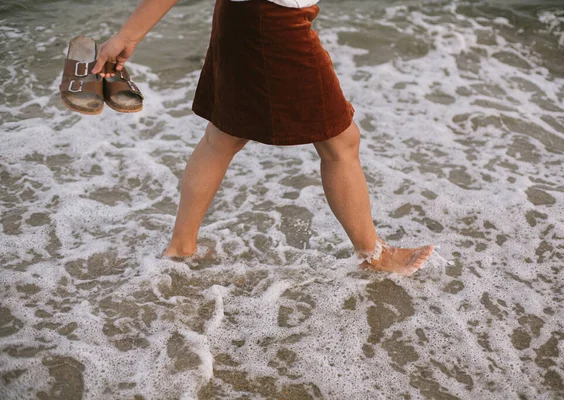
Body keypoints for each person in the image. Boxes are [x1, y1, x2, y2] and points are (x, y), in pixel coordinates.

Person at [92, 0, 434, 276]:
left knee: (224, 137)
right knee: (340, 141)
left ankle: (181, 247)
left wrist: (129, 35)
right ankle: (373, 254)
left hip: (246, 16)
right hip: (270, 23)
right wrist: (130, 35)